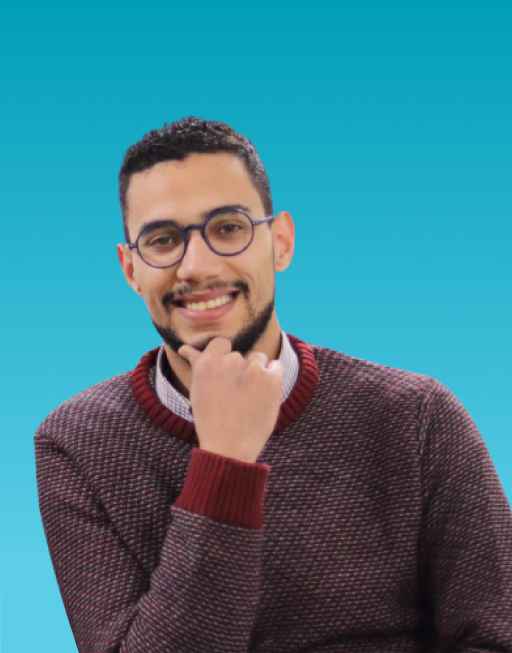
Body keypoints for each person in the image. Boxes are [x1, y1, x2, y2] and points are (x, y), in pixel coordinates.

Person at [34, 116, 512, 653]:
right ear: (130, 270)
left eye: (228, 228)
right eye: (163, 240)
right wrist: (226, 463)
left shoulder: (419, 417)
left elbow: (495, 638)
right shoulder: (75, 443)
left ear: (280, 243)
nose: (197, 265)